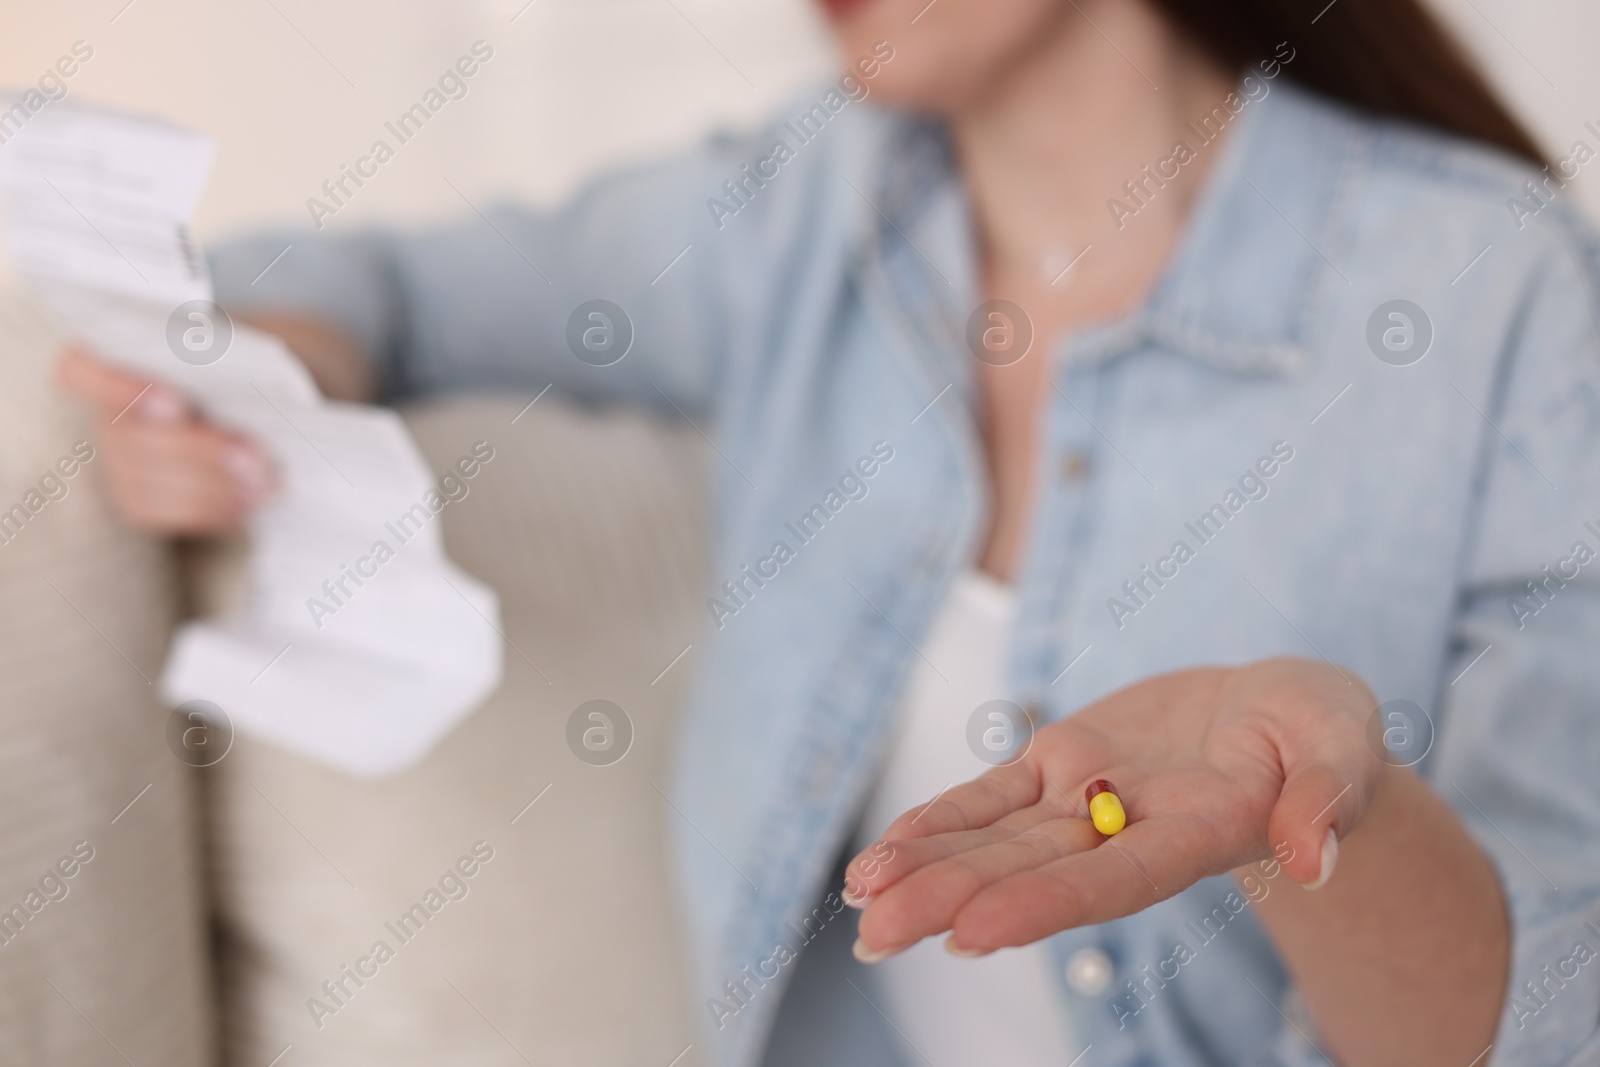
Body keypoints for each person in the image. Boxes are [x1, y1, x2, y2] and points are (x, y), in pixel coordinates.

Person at [57, 0, 1600, 1064]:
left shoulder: (1498, 296)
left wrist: (1332, 806)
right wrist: (251, 386)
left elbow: (1554, 1018)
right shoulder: (799, 214)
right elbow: (380, 284)